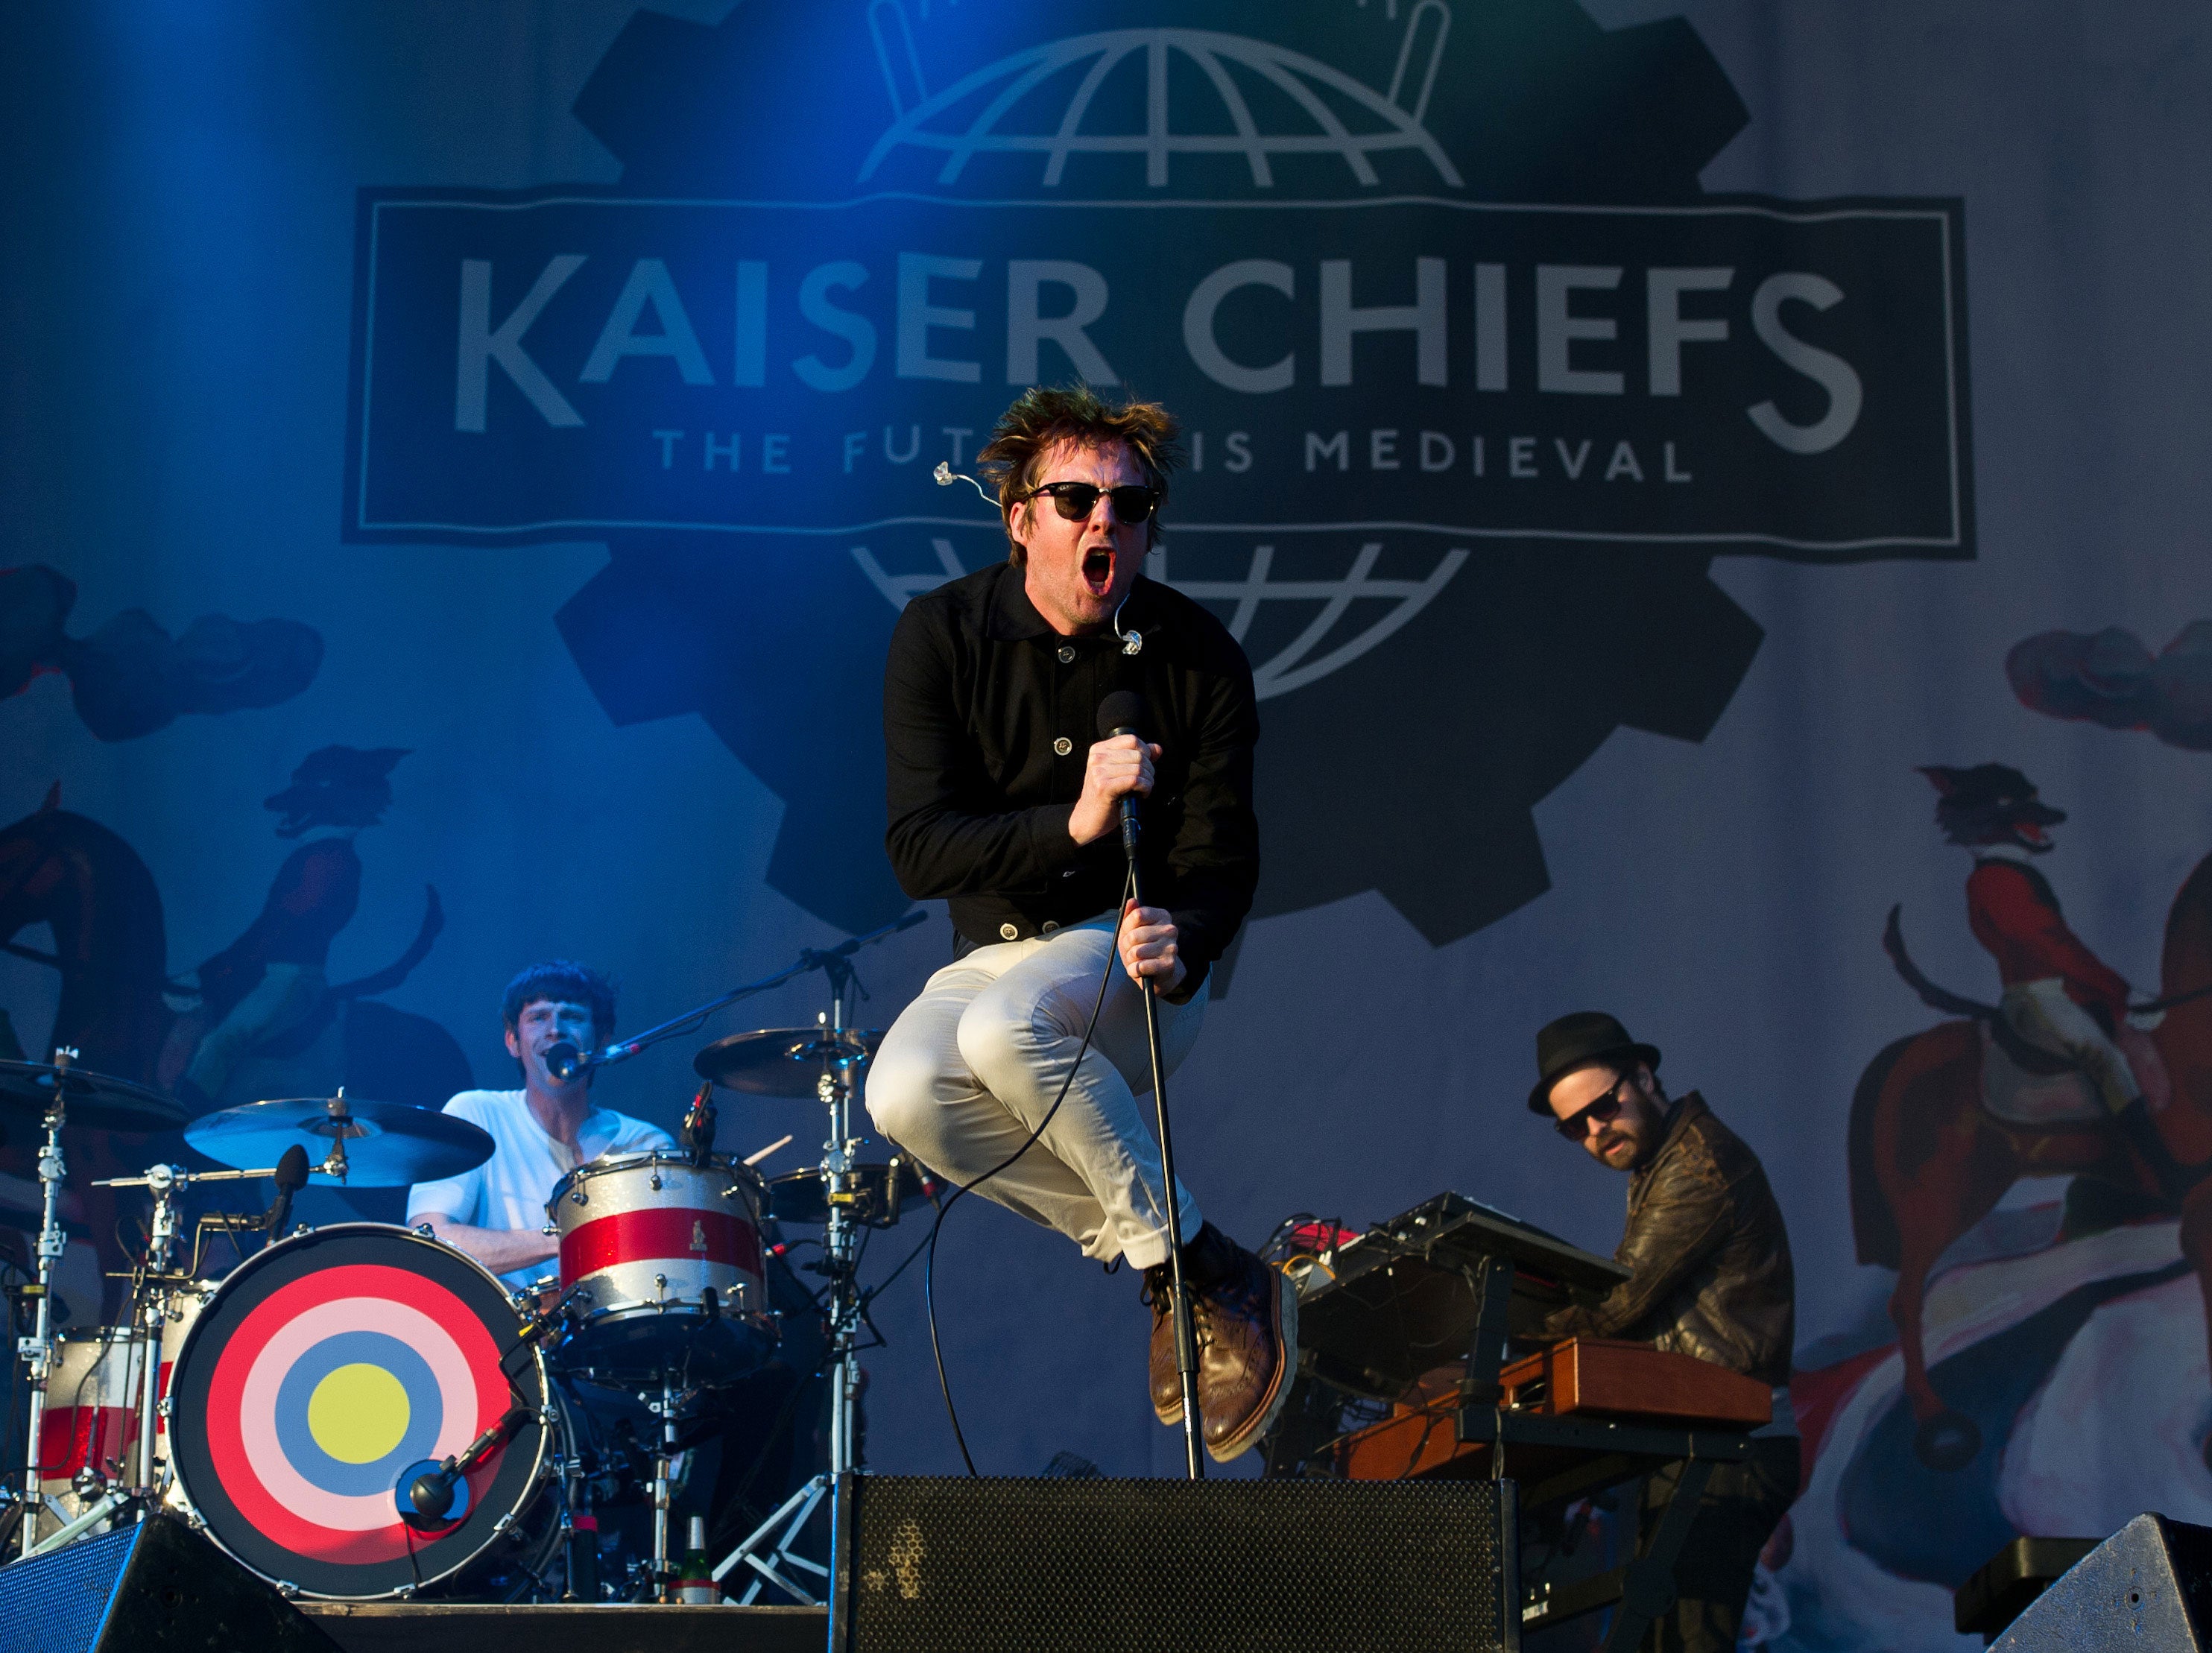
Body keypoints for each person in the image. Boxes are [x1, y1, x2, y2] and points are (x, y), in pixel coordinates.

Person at [865, 384, 1290, 1464]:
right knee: (902, 1092)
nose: (1107, 521)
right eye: (1075, 499)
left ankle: (1180, 1266)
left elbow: (1223, 852)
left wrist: (1185, 933)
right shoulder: (941, 634)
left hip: (1133, 963)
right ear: (1020, 519)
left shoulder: (1198, 657)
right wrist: (1080, 817)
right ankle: (1193, 1262)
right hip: (995, 959)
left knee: (1009, 1031)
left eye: (1131, 505)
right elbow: (920, 847)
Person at [1529, 1011, 1798, 1653]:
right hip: (1697, 1440)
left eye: (1603, 1106)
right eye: (1575, 1126)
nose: (1595, 1130)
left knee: (1686, 1643)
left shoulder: (1698, 1165)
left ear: (1643, 1077)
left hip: (1732, 1443)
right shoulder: (1663, 1162)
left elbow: (1618, 1303)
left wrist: (1498, 1333)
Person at [408, 961, 672, 1289]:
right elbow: (429, 1241)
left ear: (602, 1040)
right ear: (513, 1042)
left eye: (572, 1016)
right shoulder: (475, 1114)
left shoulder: (646, 1145)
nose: (555, 1029)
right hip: (504, 1333)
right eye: (538, 1017)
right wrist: (573, 1237)